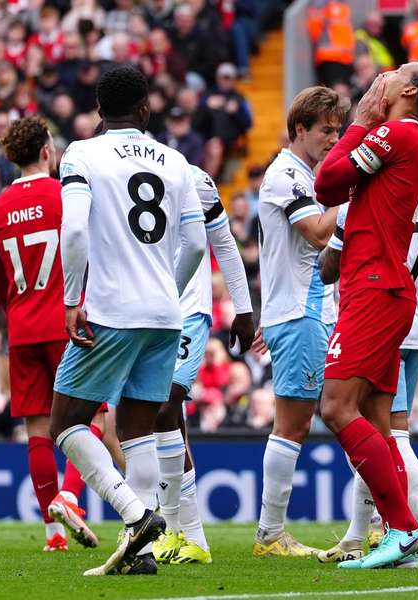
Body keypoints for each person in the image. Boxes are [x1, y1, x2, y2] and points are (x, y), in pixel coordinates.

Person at [50, 65, 206, 577]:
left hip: (111, 310)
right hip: (165, 314)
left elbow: (73, 233)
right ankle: (138, 554)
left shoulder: (82, 154)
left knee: (66, 420)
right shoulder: (177, 162)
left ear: (99, 111)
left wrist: (73, 299)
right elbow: (198, 244)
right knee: (138, 429)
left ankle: (136, 515)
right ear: (145, 109)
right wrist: (169, 289)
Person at [313, 63, 418, 570]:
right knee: (376, 419)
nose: (381, 78)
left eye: (394, 73)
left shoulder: (396, 133)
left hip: (375, 288)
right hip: (380, 289)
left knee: (336, 408)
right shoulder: (398, 138)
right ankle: (403, 537)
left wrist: (360, 122)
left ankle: (406, 529)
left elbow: (326, 183)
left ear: (408, 91)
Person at [317, 195, 418, 567]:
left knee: (388, 437)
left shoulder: (363, 204)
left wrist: (334, 230)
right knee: (376, 432)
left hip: (373, 321)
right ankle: (357, 536)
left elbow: (327, 271)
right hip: (415, 327)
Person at [0, 116, 99, 553]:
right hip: (67, 321)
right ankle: (69, 498)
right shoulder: (63, 195)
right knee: (89, 417)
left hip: (22, 325)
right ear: (47, 151)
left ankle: (52, 534)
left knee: (38, 428)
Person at [250, 86, 347, 558]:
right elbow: (315, 233)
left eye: (338, 130)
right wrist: (357, 193)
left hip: (309, 312)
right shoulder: (285, 175)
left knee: (326, 415)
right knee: (293, 424)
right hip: (301, 311)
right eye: (326, 130)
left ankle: (367, 526)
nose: (335, 138)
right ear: (300, 130)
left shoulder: (305, 175)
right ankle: (270, 533)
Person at [151, 166, 254, 566]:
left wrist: (243, 309)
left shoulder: (191, 177)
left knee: (163, 406)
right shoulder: (113, 171)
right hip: (143, 311)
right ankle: (188, 538)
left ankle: (172, 530)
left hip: (187, 309)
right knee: (163, 417)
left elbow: (224, 243)